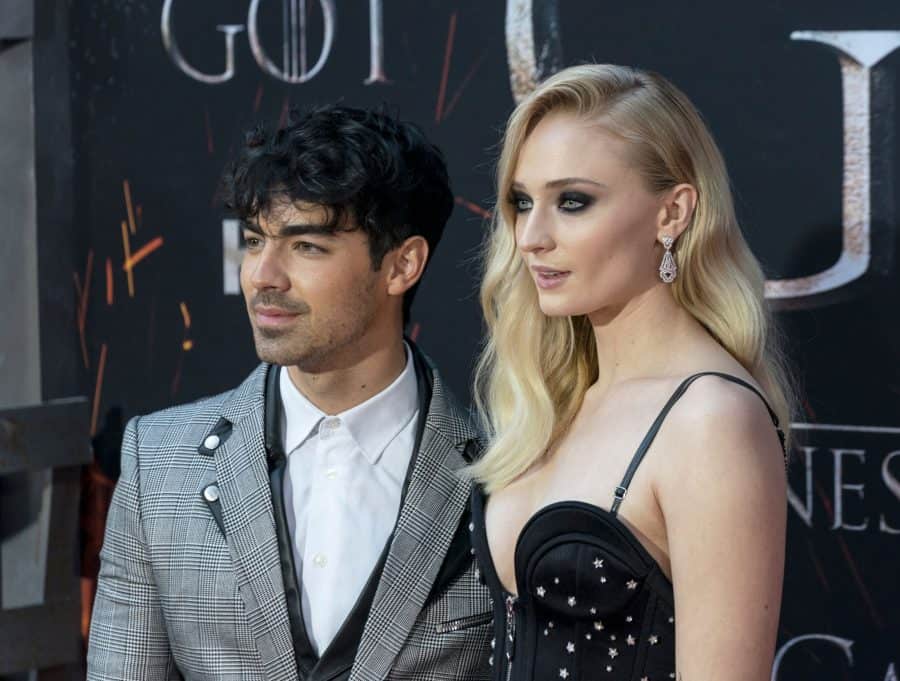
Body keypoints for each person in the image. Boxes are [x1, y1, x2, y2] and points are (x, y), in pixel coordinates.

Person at [87, 105, 493, 681]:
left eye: (307, 247)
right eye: (255, 241)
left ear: (402, 265)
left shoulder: (508, 467)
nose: (262, 275)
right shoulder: (157, 462)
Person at [467, 65, 793, 681]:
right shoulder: (554, 399)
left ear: (672, 213)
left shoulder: (710, 421)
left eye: (573, 202)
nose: (531, 237)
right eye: (521, 202)